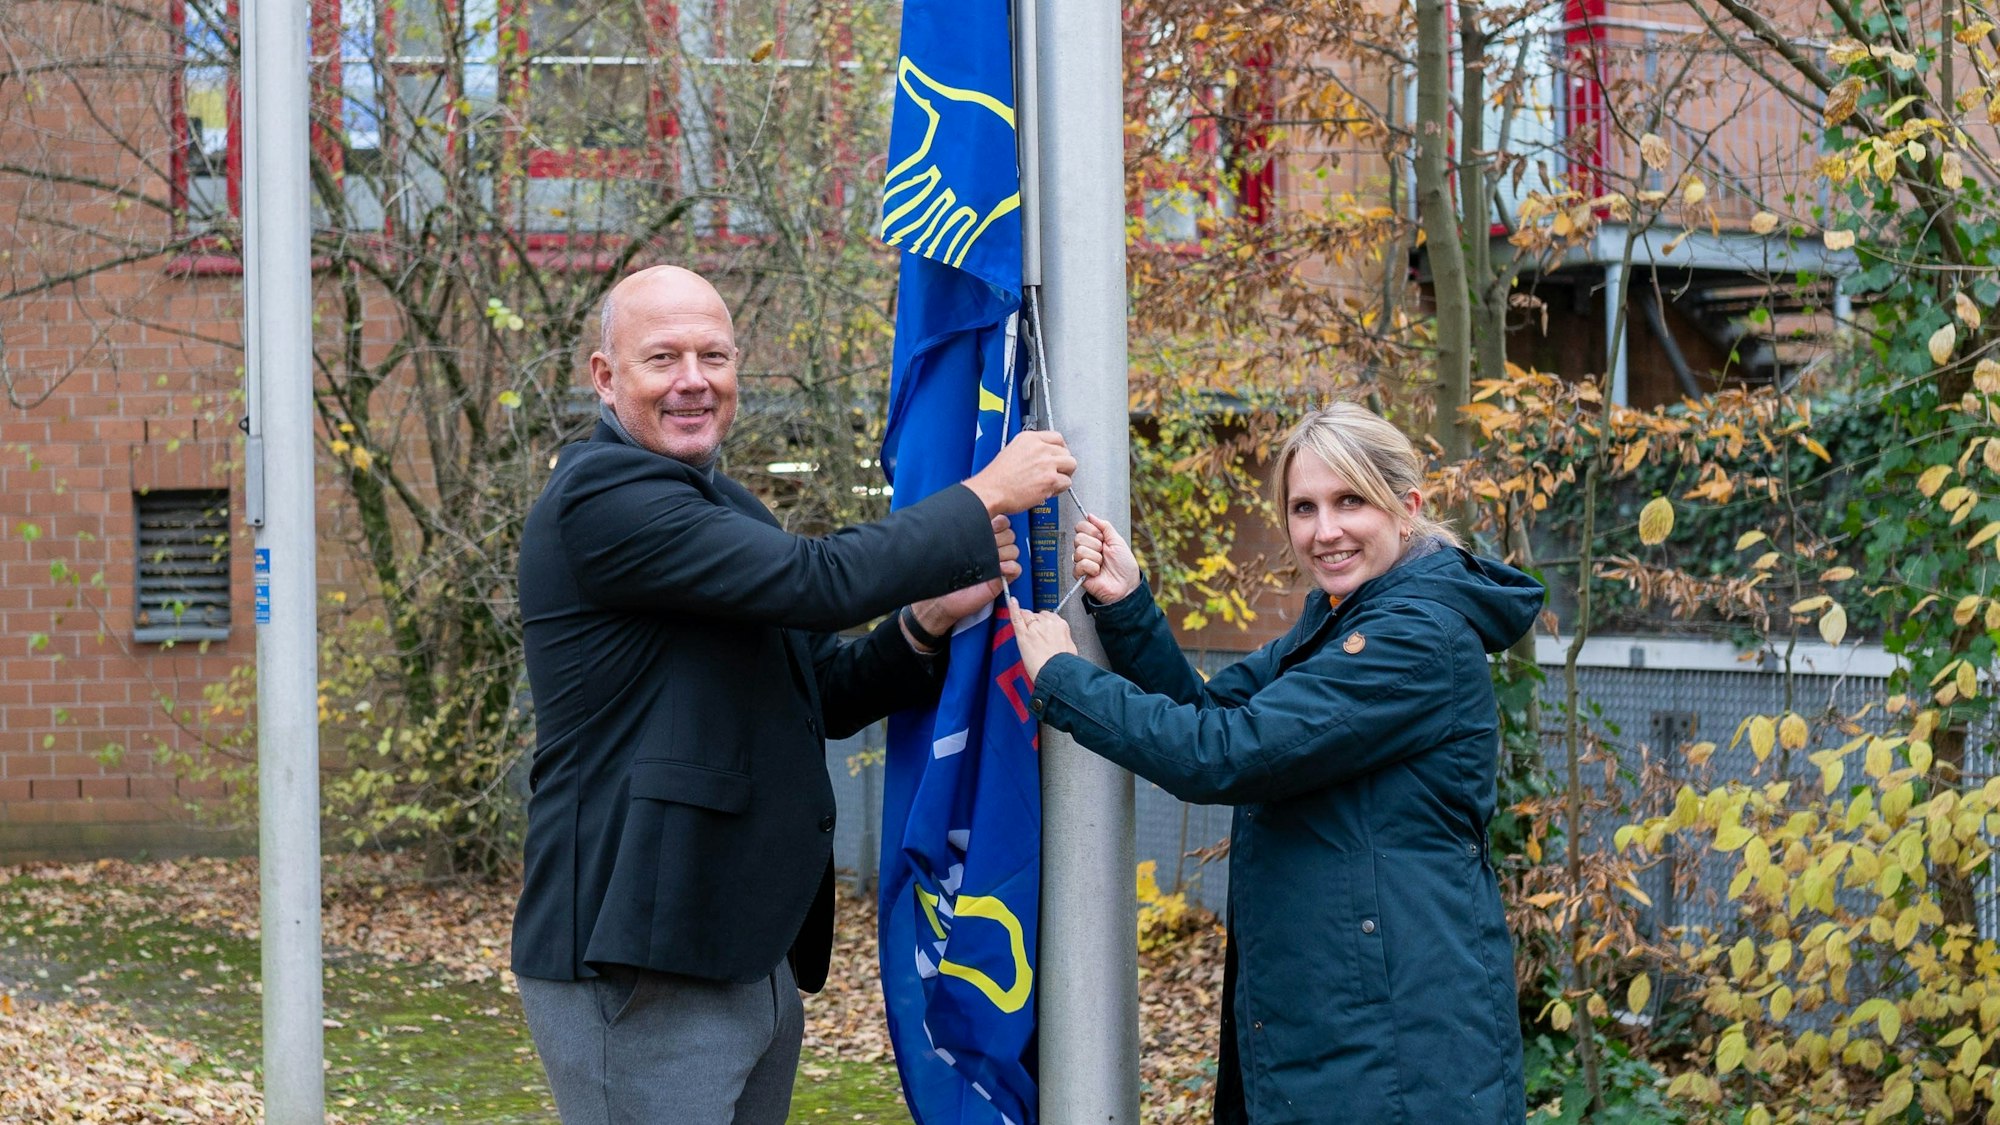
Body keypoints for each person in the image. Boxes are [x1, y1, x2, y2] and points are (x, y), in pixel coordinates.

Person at [511, 264, 1076, 1124]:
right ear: (604, 377)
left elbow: (825, 687)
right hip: (637, 957)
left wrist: (922, 623)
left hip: (741, 944)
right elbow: (821, 580)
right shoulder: (600, 496)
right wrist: (983, 496)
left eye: (714, 354)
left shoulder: (723, 506)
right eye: (662, 358)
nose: (693, 380)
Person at [1012, 402, 1543, 1125]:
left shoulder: (1415, 638)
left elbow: (1223, 757)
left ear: (1407, 508)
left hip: (1398, 1058)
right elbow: (1211, 716)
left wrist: (1064, 680)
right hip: (1341, 1034)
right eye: (1304, 507)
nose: (1325, 530)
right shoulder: (1336, 620)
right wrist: (1128, 605)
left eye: (1349, 500)